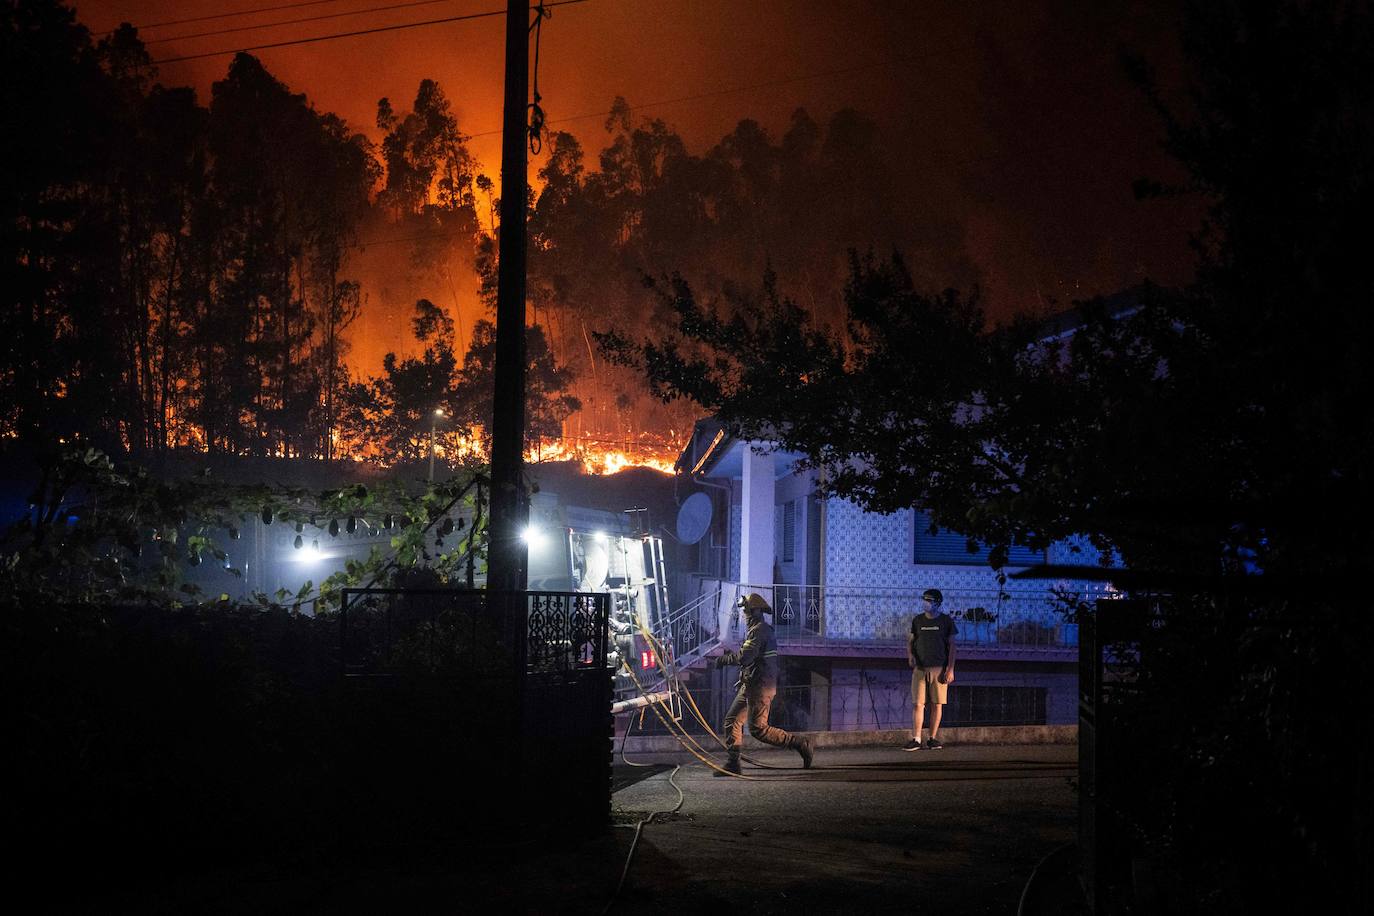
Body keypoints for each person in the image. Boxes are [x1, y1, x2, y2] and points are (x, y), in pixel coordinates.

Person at [713, 593, 815, 775]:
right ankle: (733, 764)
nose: (744, 615)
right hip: (752, 684)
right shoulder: (758, 630)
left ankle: (800, 743)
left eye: (747, 611)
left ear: (756, 611)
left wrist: (724, 660)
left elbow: (745, 657)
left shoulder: (760, 631)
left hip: (760, 687)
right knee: (733, 720)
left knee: (758, 729)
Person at [905, 588, 957, 750]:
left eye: (929, 600)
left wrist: (950, 669)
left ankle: (933, 738)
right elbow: (910, 640)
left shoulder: (946, 621)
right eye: (924, 600)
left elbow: (953, 646)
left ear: (938, 603)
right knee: (918, 704)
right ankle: (917, 738)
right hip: (920, 668)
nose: (925, 603)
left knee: (937, 704)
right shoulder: (917, 620)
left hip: (939, 668)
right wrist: (910, 656)